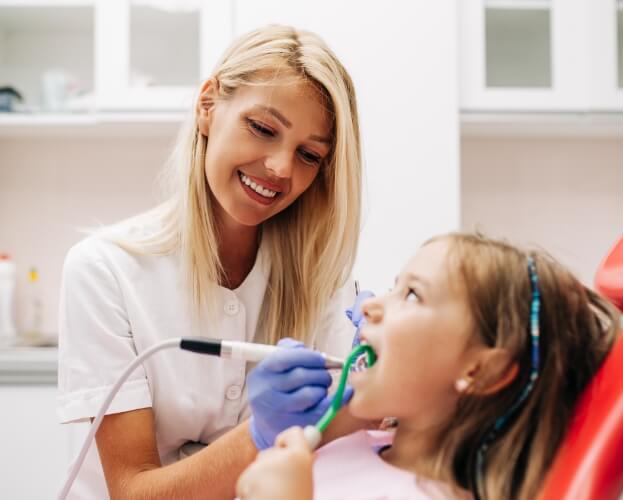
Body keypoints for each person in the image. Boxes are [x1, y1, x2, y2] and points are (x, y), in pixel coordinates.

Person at [57, 24, 366, 499]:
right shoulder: (104, 271)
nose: (281, 168)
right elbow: (131, 491)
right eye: (263, 128)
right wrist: (259, 434)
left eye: (308, 154)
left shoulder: (324, 286)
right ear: (208, 106)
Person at [236, 232, 621, 500]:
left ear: (480, 371)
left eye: (412, 294)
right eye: (394, 285)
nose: (371, 305)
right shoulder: (359, 444)